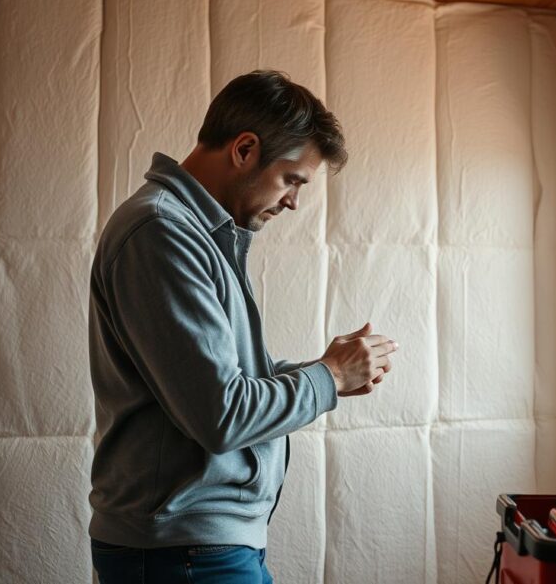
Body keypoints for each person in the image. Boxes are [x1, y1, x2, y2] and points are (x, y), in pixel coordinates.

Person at [87, 70, 397, 584]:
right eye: (292, 179)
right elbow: (222, 414)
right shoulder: (162, 232)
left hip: (194, 547)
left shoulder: (197, 234)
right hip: (183, 552)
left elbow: (219, 384)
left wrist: (327, 371)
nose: (295, 201)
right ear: (245, 149)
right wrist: (329, 377)